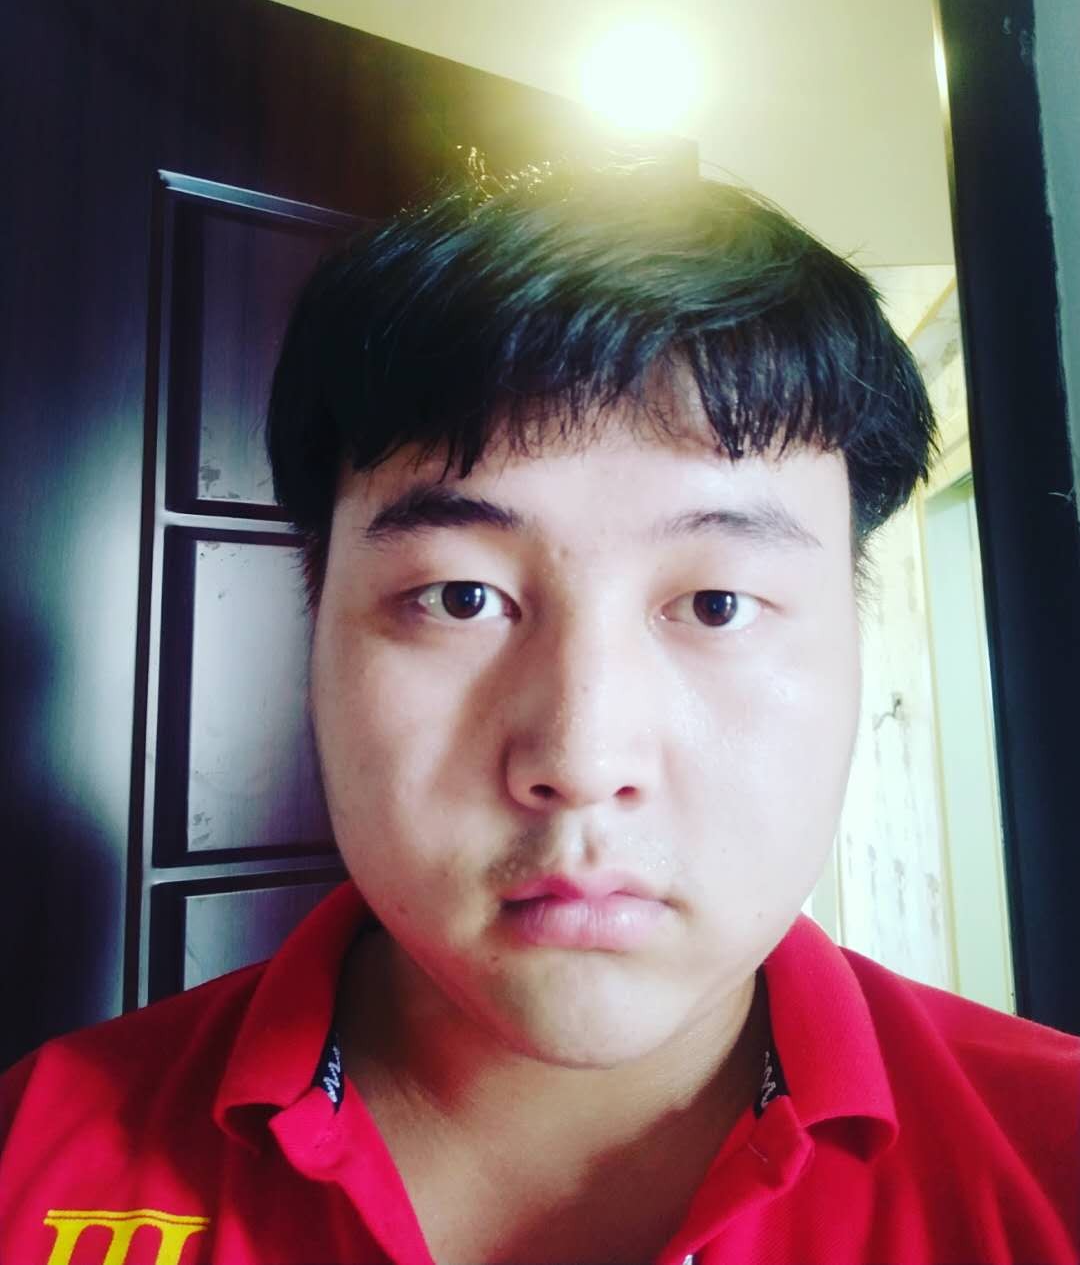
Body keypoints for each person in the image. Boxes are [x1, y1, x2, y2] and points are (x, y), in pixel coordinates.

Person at [1, 162, 1076, 1265]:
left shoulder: (1053, 1166)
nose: (582, 756)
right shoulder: (34, 1157)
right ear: (315, 626)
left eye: (716, 603)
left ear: (856, 638)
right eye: (460, 597)